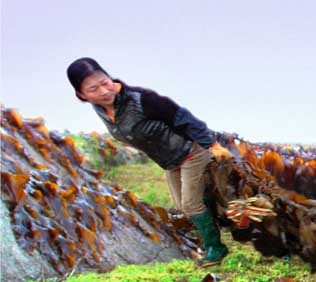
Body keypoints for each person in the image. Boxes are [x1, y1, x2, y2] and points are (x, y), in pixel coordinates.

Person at [66, 57, 231, 268]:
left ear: (110, 78)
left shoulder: (142, 99)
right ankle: (212, 216)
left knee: (190, 204)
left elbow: (184, 118)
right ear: (82, 95)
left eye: (104, 82)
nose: (103, 91)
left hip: (190, 150)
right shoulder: (101, 110)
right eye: (93, 89)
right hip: (170, 161)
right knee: (182, 205)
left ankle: (215, 248)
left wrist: (212, 145)